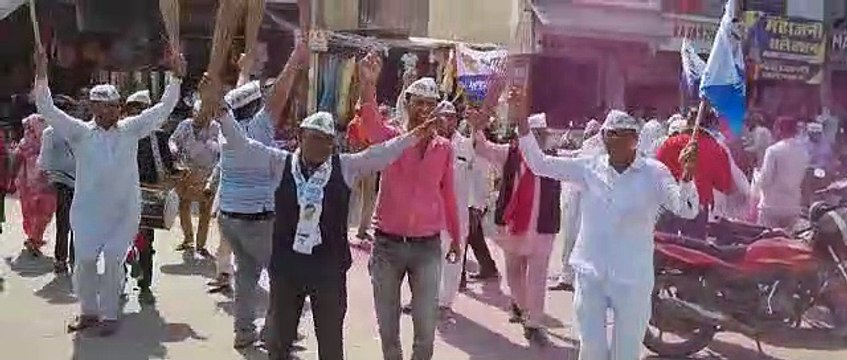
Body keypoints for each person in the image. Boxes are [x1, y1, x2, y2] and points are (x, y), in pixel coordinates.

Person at [513, 100, 699, 360]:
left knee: (626, 352)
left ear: (634, 139)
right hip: (591, 275)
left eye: (619, 135)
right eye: (608, 135)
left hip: (632, 279)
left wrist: (688, 178)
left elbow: (687, 208)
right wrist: (522, 124)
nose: (612, 141)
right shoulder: (589, 166)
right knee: (591, 350)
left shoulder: (654, 173)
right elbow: (540, 164)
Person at [32, 48, 185, 336]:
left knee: (115, 259)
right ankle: (89, 311)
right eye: (103, 106)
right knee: (86, 262)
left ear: (119, 108)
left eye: (114, 106)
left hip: (123, 212)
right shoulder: (79, 132)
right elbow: (46, 108)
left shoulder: (130, 129)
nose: (109, 111)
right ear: (92, 107)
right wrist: (41, 72)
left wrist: (176, 77)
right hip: (87, 213)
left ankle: (110, 314)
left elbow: (163, 109)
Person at [356, 54, 461, 360]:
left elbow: (449, 195)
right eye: (419, 103)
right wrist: (368, 84)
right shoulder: (391, 138)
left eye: (431, 104)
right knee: (388, 327)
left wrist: (455, 237)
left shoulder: (445, 149)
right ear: (408, 103)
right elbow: (371, 125)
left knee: (426, 329)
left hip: (427, 247)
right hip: (388, 246)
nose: (425, 109)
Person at [212, 44, 309, 349]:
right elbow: (280, 92)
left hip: (229, 218)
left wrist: (244, 70)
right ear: (256, 107)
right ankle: (275, 333)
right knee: (284, 276)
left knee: (246, 275)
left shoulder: (226, 132)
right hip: (257, 220)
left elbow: (240, 95)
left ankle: (243, 332)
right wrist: (295, 58)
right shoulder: (259, 127)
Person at [470, 111, 560, 345]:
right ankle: (522, 307)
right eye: (532, 133)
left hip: (542, 228)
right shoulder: (510, 154)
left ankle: (534, 323)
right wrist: (476, 127)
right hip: (512, 227)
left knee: (538, 277)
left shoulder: (554, 160)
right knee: (513, 272)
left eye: (540, 134)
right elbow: (483, 148)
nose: (536, 138)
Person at [127, 90, 178, 304]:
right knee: (144, 239)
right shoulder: (156, 136)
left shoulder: (121, 131)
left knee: (122, 237)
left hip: (128, 194)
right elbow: (168, 166)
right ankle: (144, 281)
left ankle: (131, 268)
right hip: (145, 195)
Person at [656, 110, 732, 239]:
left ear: (688, 122)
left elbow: (656, 174)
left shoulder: (670, 143)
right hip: (698, 207)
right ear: (710, 124)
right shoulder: (716, 149)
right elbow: (724, 184)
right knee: (694, 253)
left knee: (667, 251)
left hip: (669, 205)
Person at [550, 119, 601, 292]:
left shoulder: (593, 148)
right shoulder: (594, 148)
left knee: (573, 240)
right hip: (583, 202)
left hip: (580, 201)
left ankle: (569, 277)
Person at [169, 97, 221, 257]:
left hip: (208, 173)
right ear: (194, 113)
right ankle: (188, 239)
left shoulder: (216, 128)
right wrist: (174, 148)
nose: (203, 117)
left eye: (206, 114)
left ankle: (201, 245)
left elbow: (221, 149)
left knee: (205, 210)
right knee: (183, 205)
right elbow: (172, 139)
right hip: (187, 171)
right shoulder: (185, 125)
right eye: (199, 114)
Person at [38, 95, 78, 273]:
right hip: (66, 181)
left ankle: (65, 259)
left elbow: (44, 162)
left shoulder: (60, 131)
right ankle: (67, 259)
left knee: (67, 222)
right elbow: (45, 160)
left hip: (69, 180)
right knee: (69, 222)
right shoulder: (57, 132)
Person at [461, 103, 500, 282]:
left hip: (474, 200)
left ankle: (458, 277)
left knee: (463, 237)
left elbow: (484, 180)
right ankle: (488, 267)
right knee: (474, 237)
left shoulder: (483, 150)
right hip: (473, 199)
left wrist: (479, 205)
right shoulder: (476, 146)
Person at [14, 114, 57, 258]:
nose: (29, 131)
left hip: (40, 186)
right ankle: (34, 239)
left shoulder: (47, 142)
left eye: (32, 128)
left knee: (40, 213)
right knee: (39, 214)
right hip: (34, 186)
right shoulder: (27, 143)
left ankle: (33, 237)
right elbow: (17, 161)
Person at [758, 116, 810, 229]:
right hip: (793, 206)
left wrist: (758, 183)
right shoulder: (803, 152)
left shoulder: (773, 151)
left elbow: (765, 179)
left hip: (771, 206)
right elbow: (804, 179)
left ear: (779, 130)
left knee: (768, 242)